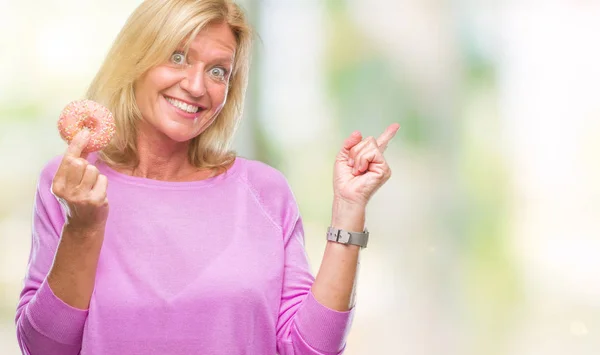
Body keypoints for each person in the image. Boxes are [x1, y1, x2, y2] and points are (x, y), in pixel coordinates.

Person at [15, 0, 400, 354]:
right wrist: (82, 229)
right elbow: (44, 348)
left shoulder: (264, 191)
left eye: (218, 71)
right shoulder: (73, 182)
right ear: (136, 58)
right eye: (178, 57)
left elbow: (309, 349)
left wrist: (349, 210)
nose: (197, 87)